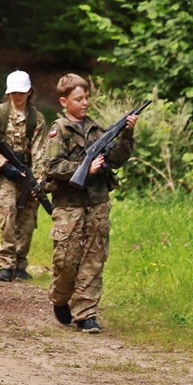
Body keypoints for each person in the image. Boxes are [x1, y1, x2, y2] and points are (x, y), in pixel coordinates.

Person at [43, 73, 138, 334]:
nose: (85, 102)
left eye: (87, 97)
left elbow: (116, 160)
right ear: (64, 101)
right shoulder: (59, 130)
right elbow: (52, 165)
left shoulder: (98, 130)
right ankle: (60, 297)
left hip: (97, 202)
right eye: (78, 98)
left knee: (94, 259)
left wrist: (127, 134)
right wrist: (83, 168)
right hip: (69, 206)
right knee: (66, 260)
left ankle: (86, 314)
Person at [0, 70, 47, 282]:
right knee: (7, 216)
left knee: (27, 220)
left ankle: (20, 263)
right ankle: (6, 264)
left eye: (21, 92)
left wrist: (37, 182)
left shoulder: (36, 118)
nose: (17, 96)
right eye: (14, 92)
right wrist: (3, 165)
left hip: (28, 173)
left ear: (29, 92)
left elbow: (39, 151)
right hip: (6, 174)